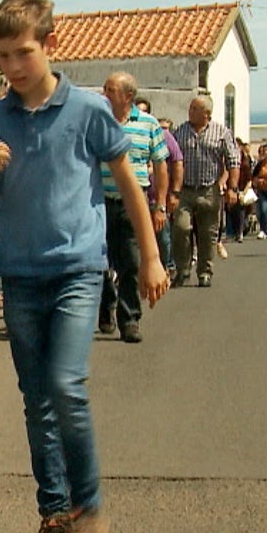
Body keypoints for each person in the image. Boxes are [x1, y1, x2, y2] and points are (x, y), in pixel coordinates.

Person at [0, 0, 168, 533]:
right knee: (36, 399)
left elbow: (129, 182)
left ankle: (89, 509)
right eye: (2, 56)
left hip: (79, 269)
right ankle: (55, 517)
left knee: (65, 388)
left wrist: (150, 256)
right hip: (20, 275)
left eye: (22, 53)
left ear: (51, 45)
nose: (11, 66)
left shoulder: (88, 110)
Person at [97, 72, 168, 344]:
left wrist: (160, 204)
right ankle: (106, 306)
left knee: (130, 262)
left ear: (128, 96)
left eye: (111, 90)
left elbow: (161, 164)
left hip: (131, 205)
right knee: (98, 261)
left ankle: (129, 319)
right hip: (99, 202)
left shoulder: (148, 125)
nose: (105, 95)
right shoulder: (97, 122)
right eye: (104, 89)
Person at [170, 96, 240, 288]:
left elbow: (233, 161)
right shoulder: (180, 131)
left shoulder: (222, 132)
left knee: (208, 233)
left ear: (206, 114)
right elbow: (172, 159)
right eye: (190, 108)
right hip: (185, 190)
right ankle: (183, 269)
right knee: (181, 228)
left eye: (195, 109)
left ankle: (205, 271)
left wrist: (232, 188)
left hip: (209, 189)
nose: (190, 111)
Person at [157, 118, 184, 276]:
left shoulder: (164, 136)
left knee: (163, 234)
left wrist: (174, 192)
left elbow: (177, 162)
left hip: (159, 197)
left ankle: (166, 266)